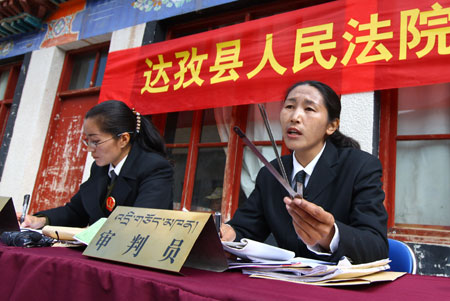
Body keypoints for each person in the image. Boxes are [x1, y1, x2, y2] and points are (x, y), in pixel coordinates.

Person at [221, 80, 388, 264]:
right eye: (289, 106)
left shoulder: (360, 167)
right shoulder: (271, 173)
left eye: (309, 109)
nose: (295, 117)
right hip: (284, 282)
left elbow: (376, 247)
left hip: (338, 287)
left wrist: (331, 235)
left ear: (331, 126)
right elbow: (245, 229)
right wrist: (229, 234)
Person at [19, 100, 174, 229]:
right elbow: (77, 211)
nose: (89, 149)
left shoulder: (154, 168)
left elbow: (141, 224)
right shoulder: (101, 168)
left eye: (96, 141)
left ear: (123, 139)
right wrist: (39, 220)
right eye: (88, 141)